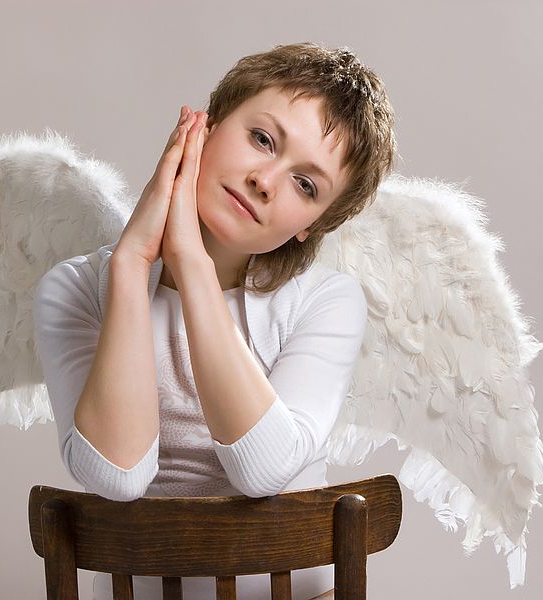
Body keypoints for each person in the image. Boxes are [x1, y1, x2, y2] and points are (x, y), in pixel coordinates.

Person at [32, 42, 395, 600]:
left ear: (311, 225)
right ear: (209, 125)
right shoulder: (76, 289)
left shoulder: (325, 300)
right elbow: (116, 476)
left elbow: (263, 469)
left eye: (306, 185)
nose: (265, 180)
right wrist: (131, 266)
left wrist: (191, 262)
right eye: (263, 139)